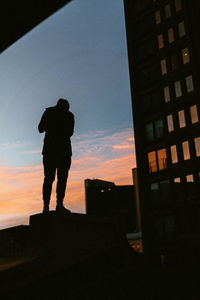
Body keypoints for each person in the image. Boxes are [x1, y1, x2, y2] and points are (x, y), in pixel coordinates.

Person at [38, 98, 74, 214]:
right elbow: (40, 128)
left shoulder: (52, 113)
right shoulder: (65, 115)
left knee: (54, 179)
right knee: (54, 179)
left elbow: (40, 128)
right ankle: (50, 206)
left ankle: (52, 206)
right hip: (56, 151)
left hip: (56, 151)